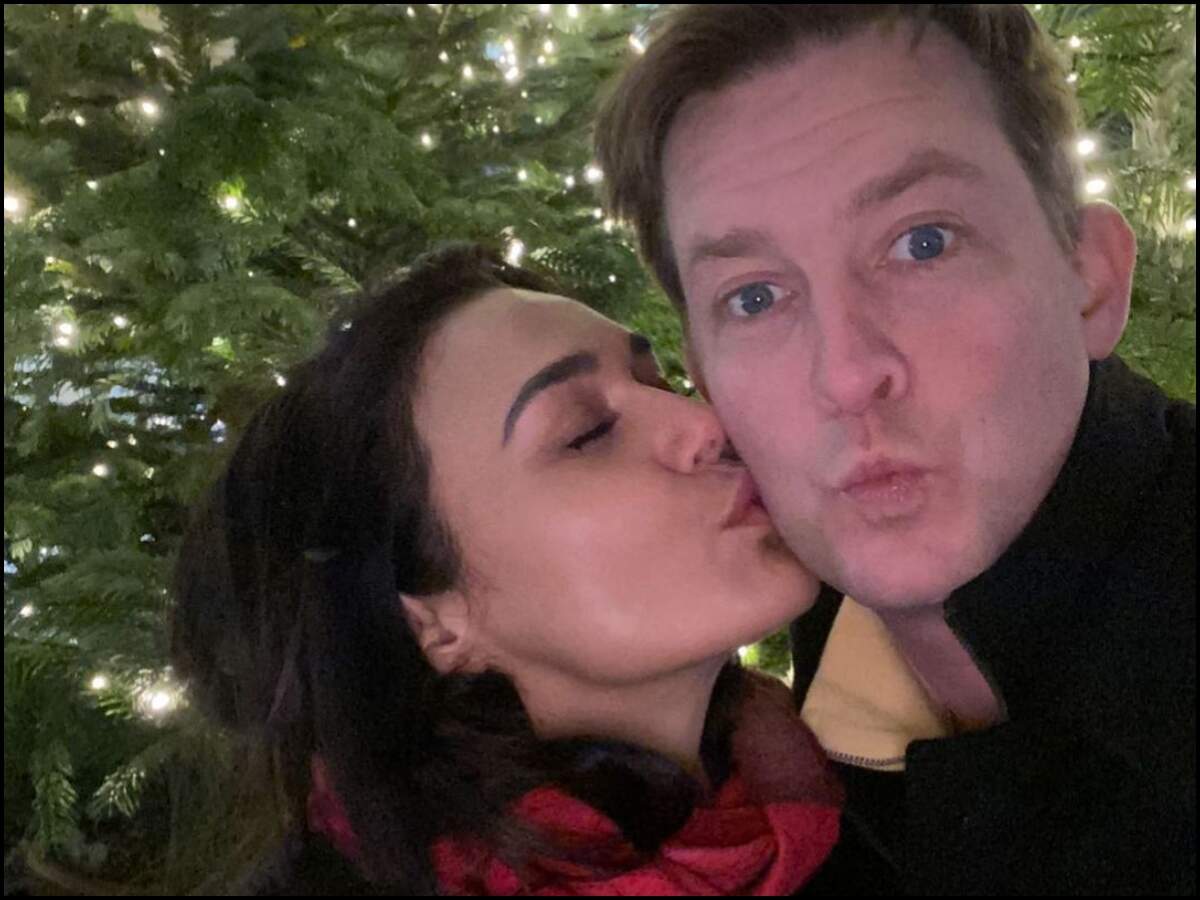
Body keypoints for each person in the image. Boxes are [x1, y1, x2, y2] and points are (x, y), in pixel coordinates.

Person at [595, 3, 1195, 894]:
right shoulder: (785, 784)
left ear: (1091, 281)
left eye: (923, 243)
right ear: (709, 384)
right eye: (754, 298)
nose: (845, 375)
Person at [169, 242, 856, 895]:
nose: (705, 422)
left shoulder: (858, 778)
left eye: (662, 381)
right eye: (587, 433)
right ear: (436, 623)